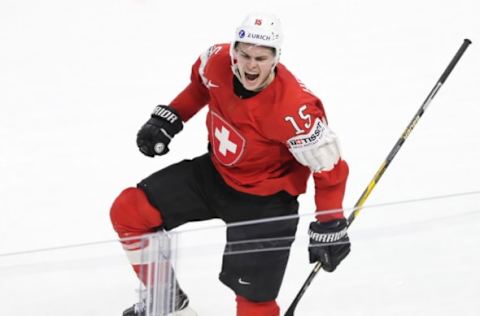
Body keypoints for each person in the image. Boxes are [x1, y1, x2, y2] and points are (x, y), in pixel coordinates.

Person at [110, 12, 351, 316]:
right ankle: (166, 299)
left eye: (261, 58)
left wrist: (330, 223)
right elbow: (201, 87)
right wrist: (169, 117)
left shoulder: (296, 109)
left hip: (267, 201)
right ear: (234, 51)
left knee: (254, 303)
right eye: (245, 55)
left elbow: (329, 167)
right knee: (130, 210)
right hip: (216, 174)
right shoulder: (216, 60)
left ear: (276, 57)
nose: (251, 65)